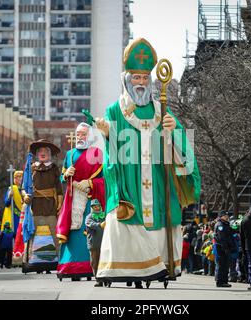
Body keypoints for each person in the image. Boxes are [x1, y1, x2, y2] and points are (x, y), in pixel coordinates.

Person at [94, 38, 200, 287]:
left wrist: (173, 130)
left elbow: (182, 147)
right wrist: (108, 133)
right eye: (136, 78)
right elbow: (112, 151)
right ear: (126, 79)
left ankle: (161, 265)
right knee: (129, 216)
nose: (140, 83)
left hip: (158, 177)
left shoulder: (160, 109)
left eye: (144, 78)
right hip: (130, 179)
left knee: (159, 215)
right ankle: (130, 266)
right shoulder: (115, 110)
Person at [56, 123, 105, 281]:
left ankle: (90, 266)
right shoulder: (69, 154)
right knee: (72, 231)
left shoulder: (96, 153)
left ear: (89, 136)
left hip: (90, 199)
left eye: (83, 134)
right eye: (78, 134)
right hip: (72, 199)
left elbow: (104, 179)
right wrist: (65, 175)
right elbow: (61, 179)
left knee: (88, 231)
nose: (80, 137)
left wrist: (90, 184)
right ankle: (69, 266)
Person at [22, 139, 63, 274]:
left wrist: (60, 201)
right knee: (32, 235)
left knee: (54, 235)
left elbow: (59, 188)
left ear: (50, 154)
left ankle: (60, 262)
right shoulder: (31, 167)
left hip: (51, 207)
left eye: (46, 151)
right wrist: (25, 195)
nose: (43, 153)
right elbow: (24, 186)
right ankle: (29, 262)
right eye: (40, 151)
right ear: (36, 154)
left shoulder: (54, 168)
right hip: (35, 208)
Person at [2, 170, 24, 266]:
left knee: (21, 240)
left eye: (21, 177)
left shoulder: (24, 189)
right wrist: (10, 196)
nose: (19, 179)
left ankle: (20, 260)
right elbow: (6, 203)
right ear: (14, 179)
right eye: (17, 177)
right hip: (13, 218)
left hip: (22, 217)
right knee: (11, 241)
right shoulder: (12, 188)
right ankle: (9, 261)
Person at [85, 199, 106, 287]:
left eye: (98, 206)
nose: (97, 208)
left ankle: (106, 278)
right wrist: (100, 225)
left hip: (105, 244)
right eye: (95, 207)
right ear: (92, 208)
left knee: (105, 261)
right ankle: (98, 279)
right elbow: (91, 224)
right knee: (95, 262)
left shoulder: (104, 216)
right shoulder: (89, 217)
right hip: (94, 244)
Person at [214, 211, 236, 287]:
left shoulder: (225, 224)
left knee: (225, 265)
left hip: (225, 247)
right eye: (225, 215)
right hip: (221, 248)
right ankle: (220, 282)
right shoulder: (220, 225)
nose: (227, 217)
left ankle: (224, 281)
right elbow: (221, 238)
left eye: (227, 215)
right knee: (222, 265)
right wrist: (225, 248)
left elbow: (230, 233)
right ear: (221, 217)